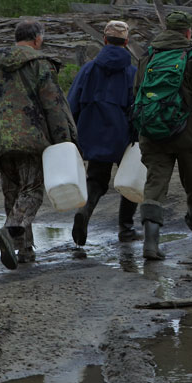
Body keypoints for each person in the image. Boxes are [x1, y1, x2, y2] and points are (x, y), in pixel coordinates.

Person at [0, 19, 78, 270]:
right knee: (32, 190)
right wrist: (65, 143)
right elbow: (54, 107)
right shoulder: (40, 64)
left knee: (13, 194)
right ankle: (11, 232)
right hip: (30, 138)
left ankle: (23, 250)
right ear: (37, 39)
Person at [135, 10, 192, 261]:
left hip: (153, 132)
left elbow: (137, 94)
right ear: (188, 32)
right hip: (188, 135)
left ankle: (151, 243)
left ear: (166, 29)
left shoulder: (147, 56)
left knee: (155, 184)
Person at [67, 20, 141, 246]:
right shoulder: (132, 72)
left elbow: (72, 102)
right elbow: (138, 106)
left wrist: (71, 133)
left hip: (92, 131)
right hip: (122, 134)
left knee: (97, 178)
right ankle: (126, 229)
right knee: (129, 178)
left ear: (105, 39)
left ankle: (84, 212)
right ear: (126, 42)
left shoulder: (88, 69)